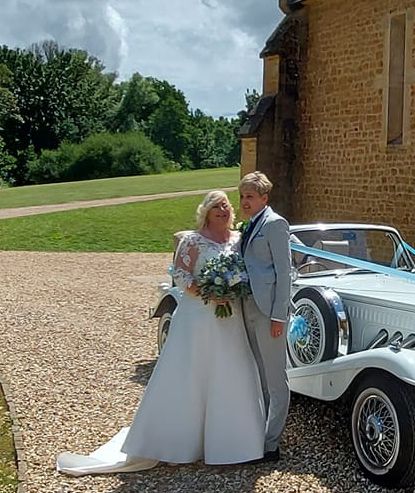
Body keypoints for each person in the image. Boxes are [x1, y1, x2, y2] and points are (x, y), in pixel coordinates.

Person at [56, 189, 266, 474]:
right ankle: (178, 443)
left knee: (231, 373)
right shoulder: (193, 240)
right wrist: (208, 292)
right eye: (216, 206)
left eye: (226, 206)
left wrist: (233, 289)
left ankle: (232, 443)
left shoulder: (239, 240)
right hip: (198, 318)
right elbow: (179, 275)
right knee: (189, 376)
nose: (223, 210)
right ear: (205, 211)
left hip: (231, 320)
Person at [238, 170, 292, 461]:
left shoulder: (275, 224)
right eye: (242, 196)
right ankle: (258, 433)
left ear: (264, 198)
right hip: (248, 306)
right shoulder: (249, 225)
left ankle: (271, 444)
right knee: (258, 374)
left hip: (269, 311)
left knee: (275, 378)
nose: (244, 202)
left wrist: (279, 316)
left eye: (250, 197)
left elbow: (285, 272)